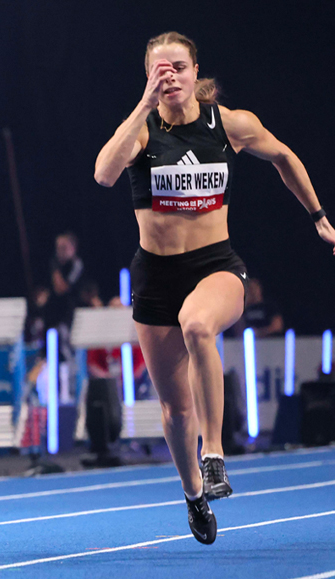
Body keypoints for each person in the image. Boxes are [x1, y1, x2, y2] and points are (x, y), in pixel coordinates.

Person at [94, 32, 335, 544]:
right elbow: (103, 174)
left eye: (178, 68)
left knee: (199, 325)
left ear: (195, 70)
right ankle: (192, 493)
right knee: (174, 410)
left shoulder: (229, 124)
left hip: (216, 265)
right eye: (160, 72)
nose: (170, 78)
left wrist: (318, 216)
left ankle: (215, 454)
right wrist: (141, 105)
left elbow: (285, 157)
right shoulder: (142, 132)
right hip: (156, 277)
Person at [45, 232, 85, 334]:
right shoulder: (54, 263)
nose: (59, 252)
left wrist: (55, 270)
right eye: (58, 248)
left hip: (73, 313)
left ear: (73, 249)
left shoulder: (77, 265)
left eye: (63, 248)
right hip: (56, 312)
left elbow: (61, 288)